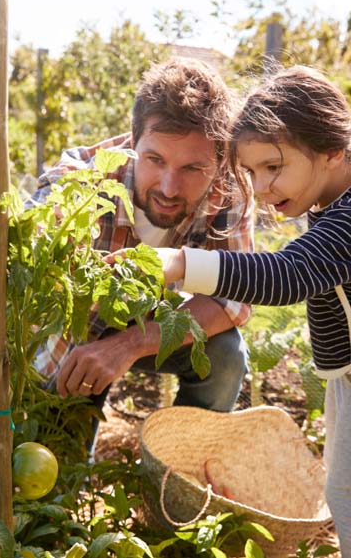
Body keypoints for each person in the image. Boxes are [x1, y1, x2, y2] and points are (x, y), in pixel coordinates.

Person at [0, 58, 253, 456]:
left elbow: (231, 297)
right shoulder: (83, 179)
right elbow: (23, 260)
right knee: (53, 472)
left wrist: (126, 345)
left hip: (156, 323)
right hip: (79, 330)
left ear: (218, 161)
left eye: (192, 168)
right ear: (133, 142)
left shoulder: (228, 191)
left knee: (225, 355)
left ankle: (181, 476)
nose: (168, 186)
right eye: (155, 159)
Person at [145, 65, 351, 556]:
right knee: (342, 494)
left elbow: (287, 275)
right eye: (251, 172)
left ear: (333, 150)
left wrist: (177, 263)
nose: (259, 187)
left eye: (273, 167)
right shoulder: (329, 207)